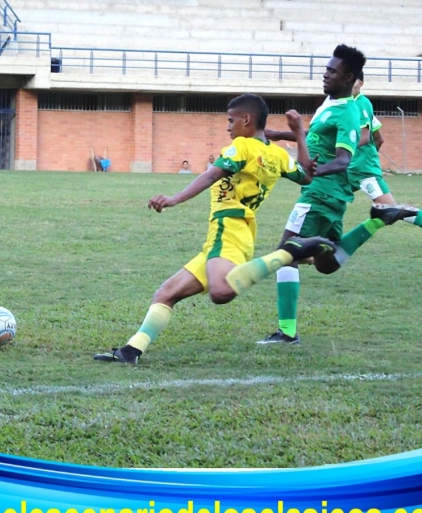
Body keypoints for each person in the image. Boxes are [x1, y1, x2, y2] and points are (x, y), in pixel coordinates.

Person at [93, 94, 329, 364]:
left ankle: (288, 253)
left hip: (227, 228)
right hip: (234, 234)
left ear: (246, 120)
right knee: (166, 293)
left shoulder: (241, 147)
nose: (228, 127)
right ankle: (131, 351)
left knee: (220, 292)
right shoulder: (277, 154)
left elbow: (210, 175)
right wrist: (299, 133)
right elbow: (307, 175)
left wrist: (173, 199)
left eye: (231, 121)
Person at [229, 45, 418, 345]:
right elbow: (319, 138)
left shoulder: (347, 112)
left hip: (320, 193)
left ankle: (287, 332)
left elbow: (344, 158)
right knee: (326, 263)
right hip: (333, 194)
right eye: (326, 69)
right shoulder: (332, 104)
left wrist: (312, 172)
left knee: (286, 251)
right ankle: (377, 220)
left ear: (349, 77)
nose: (325, 74)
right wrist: (285, 134)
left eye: (332, 71)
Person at [349, 72, 422, 256]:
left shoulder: (361, 103)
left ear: (360, 83)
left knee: (393, 210)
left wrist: (362, 159)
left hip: (363, 172)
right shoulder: (347, 104)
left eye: (352, 78)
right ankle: (313, 246)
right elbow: (379, 138)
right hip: (350, 169)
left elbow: (365, 137)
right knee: (326, 198)